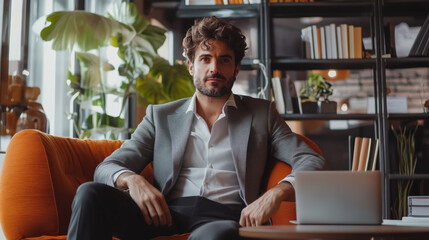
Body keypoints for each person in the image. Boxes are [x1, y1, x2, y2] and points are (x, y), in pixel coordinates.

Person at [67, 16, 325, 240]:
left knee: (213, 236)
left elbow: (310, 159)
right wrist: (132, 179)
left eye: (224, 60)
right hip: (163, 215)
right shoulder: (160, 116)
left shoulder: (262, 114)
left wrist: (277, 193)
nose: (215, 68)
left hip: (225, 219)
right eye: (205, 59)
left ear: (236, 69)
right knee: (90, 194)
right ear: (191, 66)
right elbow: (106, 168)